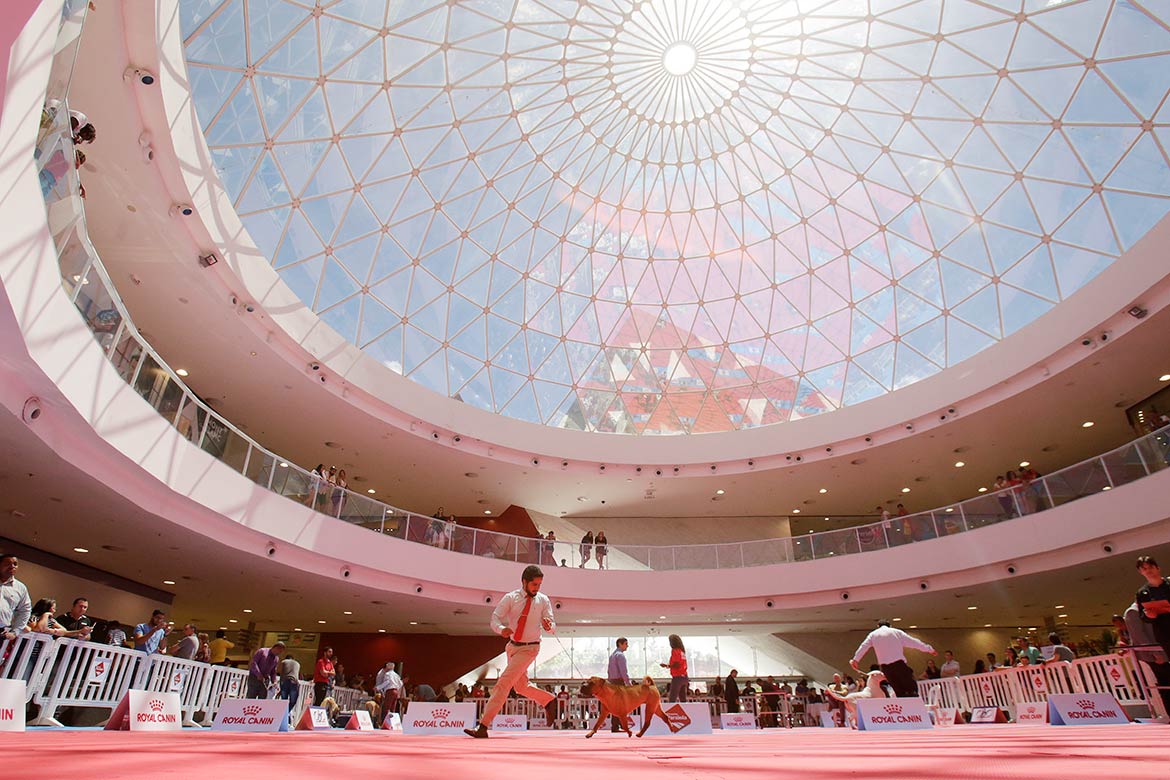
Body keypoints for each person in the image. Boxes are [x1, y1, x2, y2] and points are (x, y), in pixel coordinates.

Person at [464, 565, 556, 738]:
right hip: (512, 647)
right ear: (524, 582)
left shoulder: (543, 600)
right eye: (534, 584)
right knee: (520, 687)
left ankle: (483, 726)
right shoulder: (511, 598)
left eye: (539, 584)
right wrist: (501, 629)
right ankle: (549, 700)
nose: (537, 588)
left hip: (531, 648)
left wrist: (549, 626)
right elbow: (495, 618)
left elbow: (552, 626)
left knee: (503, 683)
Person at [850, 619, 936, 698]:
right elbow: (914, 642)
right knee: (911, 689)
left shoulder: (873, 634)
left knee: (898, 691)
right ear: (890, 625)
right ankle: (914, 704)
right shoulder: (897, 632)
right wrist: (929, 649)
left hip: (886, 668)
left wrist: (856, 660)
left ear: (878, 626)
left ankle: (904, 706)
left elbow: (863, 647)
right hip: (899, 665)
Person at [1136, 555, 1170, 656]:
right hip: (1165, 633)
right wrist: (1149, 616)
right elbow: (1142, 616)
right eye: (1144, 569)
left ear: (1157, 568)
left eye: (1150, 567)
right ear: (1140, 572)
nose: (1148, 571)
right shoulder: (1142, 593)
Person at [0, 554, 32, 640]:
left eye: (15, 564)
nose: (12, 566)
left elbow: (25, 610)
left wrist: (15, 632)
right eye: (8, 564)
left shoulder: (20, 588)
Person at [607, 637, 630, 732]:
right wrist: (628, 683)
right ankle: (618, 725)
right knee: (621, 705)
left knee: (615, 705)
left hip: (612, 682)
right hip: (619, 682)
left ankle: (616, 725)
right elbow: (623, 671)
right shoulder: (620, 656)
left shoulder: (612, 655)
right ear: (620, 644)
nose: (627, 646)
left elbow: (609, 671)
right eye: (626, 644)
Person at [659, 634, 689, 702]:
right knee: (683, 698)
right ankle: (684, 708)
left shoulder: (675, 650)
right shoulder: (682, 651)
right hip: (684, 676)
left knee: (672, 698)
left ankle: (671, 709)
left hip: (677, 677)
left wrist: (666, 666)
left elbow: (676, 664)